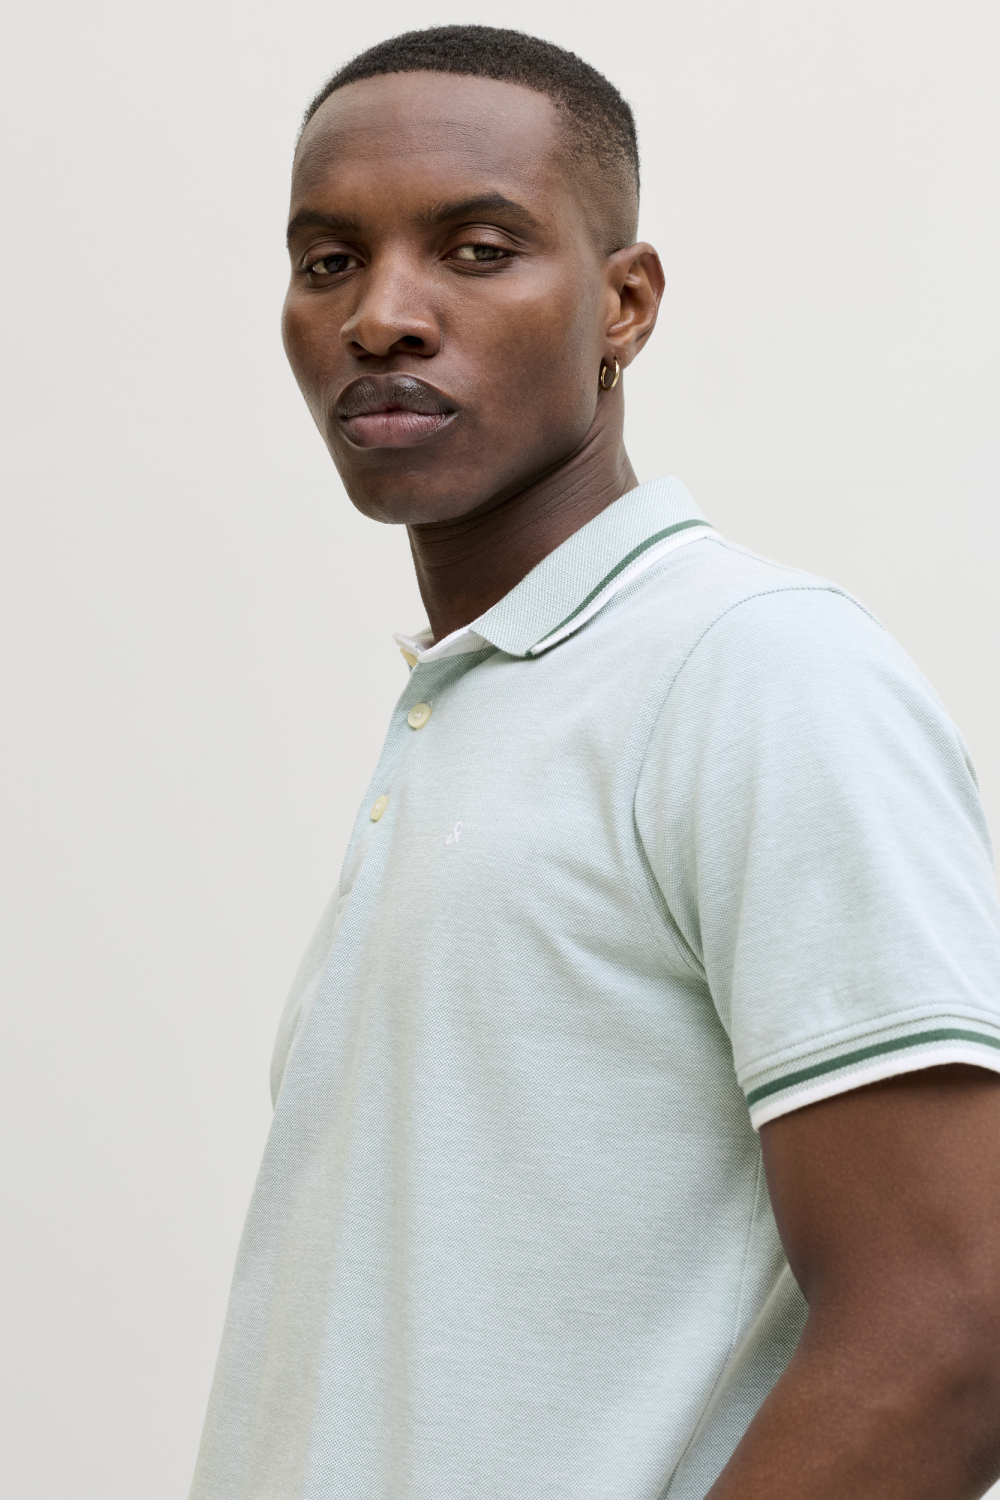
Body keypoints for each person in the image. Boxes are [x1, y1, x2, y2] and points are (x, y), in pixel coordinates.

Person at [190, 25, 1000, 1500]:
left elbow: (956, 1327)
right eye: (328, 262)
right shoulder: (473, 703)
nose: (383, 317)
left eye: (478, 250)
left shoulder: (752, 669)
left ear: (624, 302)